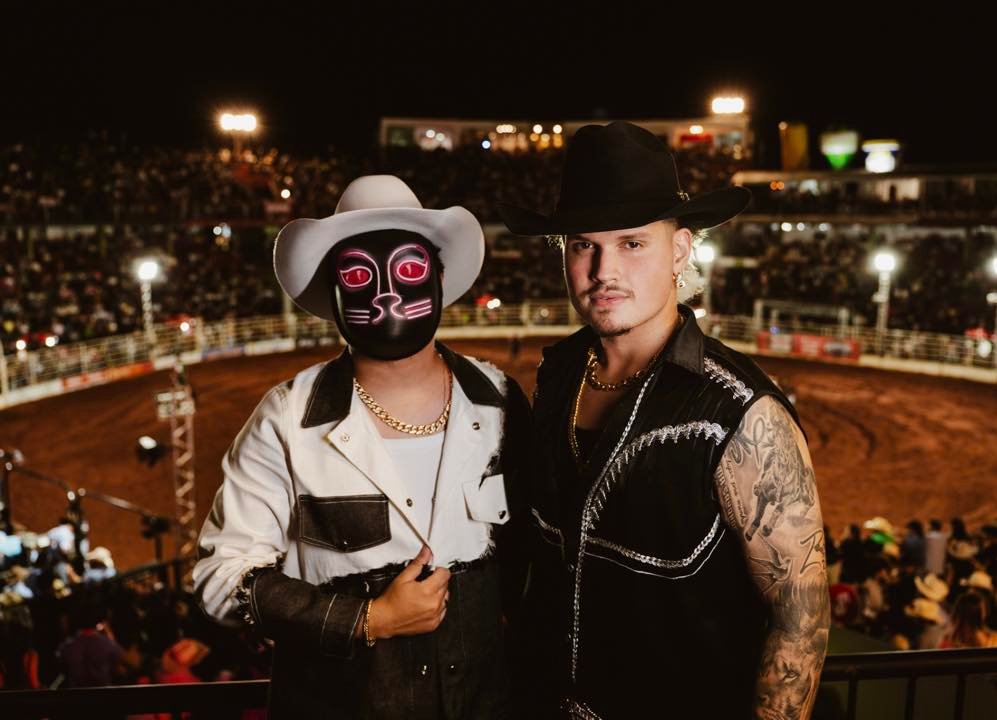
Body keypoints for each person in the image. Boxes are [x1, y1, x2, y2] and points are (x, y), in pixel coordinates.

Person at [501, 121, 828, 718]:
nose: (604, 270)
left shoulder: (740, 412)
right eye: (583, 245)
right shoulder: (557, 377)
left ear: (679, 250)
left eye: (632, 244)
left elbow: (800, 616)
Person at [194, 176, 530, 719]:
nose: (386, 293)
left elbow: (530, 557)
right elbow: (221, 577)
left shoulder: (501, 402)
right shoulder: (285, 419)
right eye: (356, 275)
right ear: (332, 293)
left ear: (440, 277)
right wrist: (369, 619)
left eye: (409, 270)